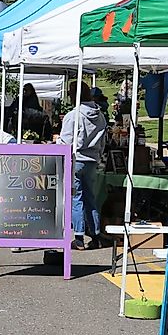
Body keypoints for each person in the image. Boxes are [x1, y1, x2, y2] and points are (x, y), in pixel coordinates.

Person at [62, 85, 110, 249]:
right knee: (91, 198)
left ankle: (79, 237)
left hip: (77, 159)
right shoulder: (101, 116)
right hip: (92, 160)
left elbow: (66, 141)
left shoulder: (73, 116)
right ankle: (95, 235)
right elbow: (103, 141)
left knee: (76, 198)